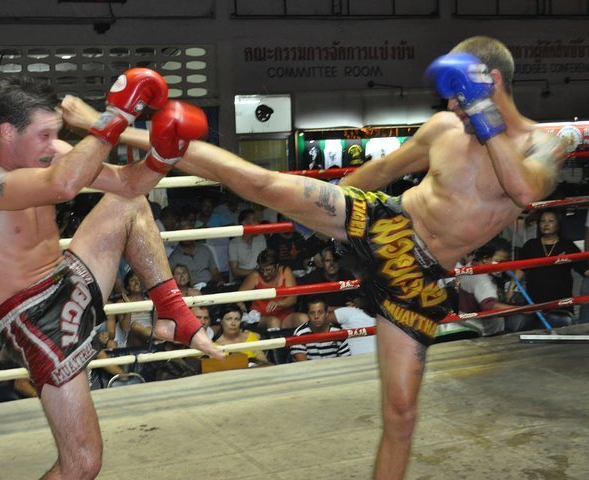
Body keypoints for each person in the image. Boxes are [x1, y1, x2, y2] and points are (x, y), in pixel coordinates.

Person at [121, 36, 566, 479]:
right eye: (452, 96)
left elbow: (525, 190)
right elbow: (382, 172)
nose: (452, 106)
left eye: (460, 94)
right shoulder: (445, 129)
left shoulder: (539, 145)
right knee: (263, 183)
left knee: (401, 417)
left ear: (492, 81)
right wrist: (323, 207)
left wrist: (482, 110)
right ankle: (119, 129)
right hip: (385, 223)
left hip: (416, 279)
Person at [0, 72, 221, 479]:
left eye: (56, 133)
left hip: (67, 277)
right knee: (82, 464)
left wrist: (165, 151)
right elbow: (62, 186)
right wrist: (117, 114)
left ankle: (171, 313)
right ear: (6, 132)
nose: (52, 144)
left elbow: (130, 182)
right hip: (33, 317)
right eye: (43, 135)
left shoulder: (50, 152)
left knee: (129, 202)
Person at [508, 209, 588, 331]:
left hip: (560, 303)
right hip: (534, 302)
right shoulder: (531, 245)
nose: (546, 224)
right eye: (543, 221)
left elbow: (584, 268)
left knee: (559, 335)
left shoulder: (568, 246)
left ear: (558, 225)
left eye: (551, 221)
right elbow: (521, 269)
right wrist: (511, 288)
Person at [238, 248, 304, 329]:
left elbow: (293, 299)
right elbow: (238, 296)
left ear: (276, 266)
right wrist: (242, 308)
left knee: (303, 318)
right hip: (263, 318)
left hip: (285, 316)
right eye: (262, 270)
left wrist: (279, 303)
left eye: (268, 270)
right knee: (274, 321)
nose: (265, 273)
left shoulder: (285, 272)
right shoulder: (255, 275)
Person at [168, 219, 224, 287]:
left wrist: (219, 280)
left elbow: (215, 272)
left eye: (189, 233)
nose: (186, 236)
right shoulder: (173, 258)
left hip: (210, 287)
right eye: (183, 233)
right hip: (191, 291)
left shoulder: (205, 249)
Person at [227, 208, 266, 283]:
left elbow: (265, 261)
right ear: (244, 223)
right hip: (242, 280)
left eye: (257, 220)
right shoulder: (233, 243)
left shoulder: (261, 238)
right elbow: (234, 271)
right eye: (254, 220)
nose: (257, 223)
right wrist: (254, 272)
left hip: (261, 277)